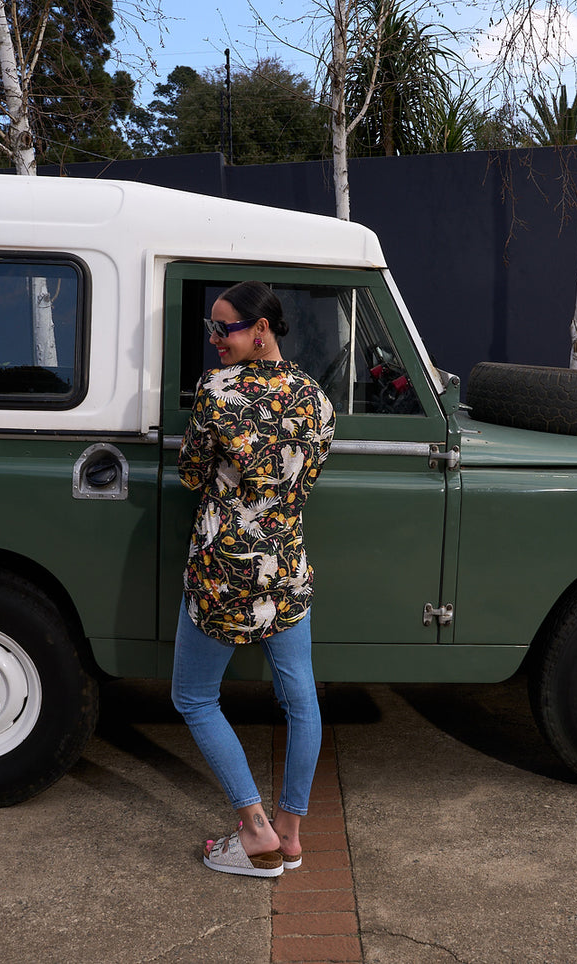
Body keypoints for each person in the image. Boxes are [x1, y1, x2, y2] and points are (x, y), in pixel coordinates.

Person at [171, 280, 336, 878]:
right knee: (300, 700)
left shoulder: (217, 394)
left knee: (193, 696)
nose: (215, 339)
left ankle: (256, 828)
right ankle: (290, 833)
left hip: (224, 571)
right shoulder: (317, 398)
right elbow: (306, 477)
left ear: (260, 328)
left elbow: (192, 474)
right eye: (212, 329)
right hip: (286, 566)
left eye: (225, 328)